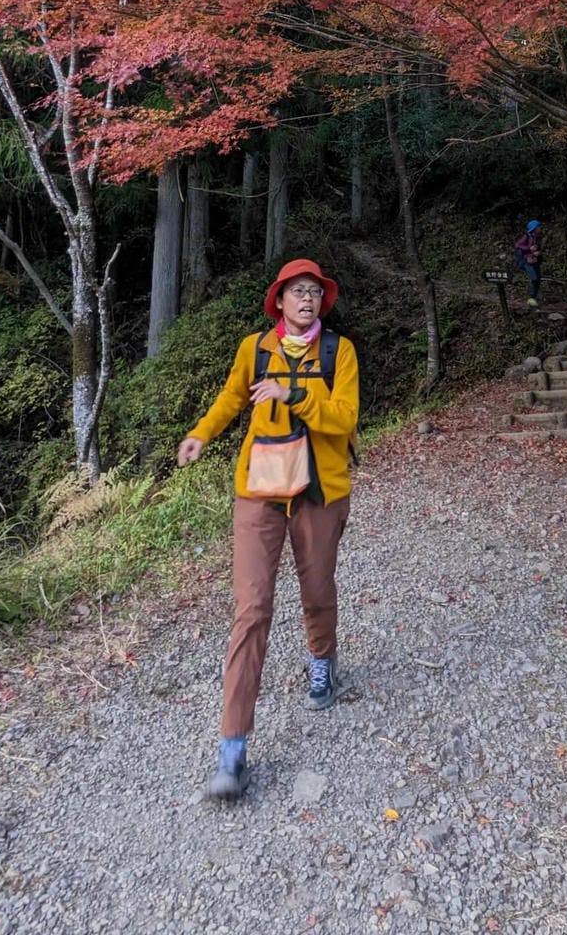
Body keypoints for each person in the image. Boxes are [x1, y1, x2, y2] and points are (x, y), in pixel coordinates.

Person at [176, 258, 360, 802]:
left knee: (317, 590)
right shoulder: (256, 349)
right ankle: (231, 750)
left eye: (313, 293)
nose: (306, 300)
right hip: (260, 487)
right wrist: (201, 434)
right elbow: (233, 397)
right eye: (296, 292)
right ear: (278, 301)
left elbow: (345, 417)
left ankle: (322, 660)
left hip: (320, 488)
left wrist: (293, 395)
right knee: (252, 608)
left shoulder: (339, 352)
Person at [514, 219, 543, 307]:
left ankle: (534, 296)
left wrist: (538, 253)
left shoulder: (537, 237)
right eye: (538, 227)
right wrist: (529, 248)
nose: (540, 228)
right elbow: (518, 245)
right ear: (534, 228)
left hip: (534, 260)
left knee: (538, 278)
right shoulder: (526, 236)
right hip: (526, 261)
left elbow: (537, 249)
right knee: (534, 278)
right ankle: (531, 298)